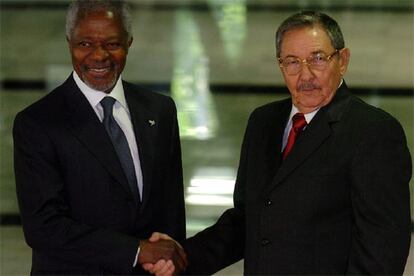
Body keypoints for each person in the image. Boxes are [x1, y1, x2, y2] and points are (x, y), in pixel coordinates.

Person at [146, 11, 412, 275]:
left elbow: (382, 251)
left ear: (342, 60)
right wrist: (181, 257)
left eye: (317, 59)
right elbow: (247, 221)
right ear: (280, 65)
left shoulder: (373, 132)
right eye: (293, 62)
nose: (305, 75)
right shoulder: (264, 122)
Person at [13, 0, 187, 274]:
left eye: (111, 44)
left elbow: (171, 209)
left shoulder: (160, 110)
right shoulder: (37, 123)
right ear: (69, 42)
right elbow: (43, 227)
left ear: (129, 42)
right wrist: (137, 251)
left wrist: (171, 260)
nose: (98, 56)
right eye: (85, 44)